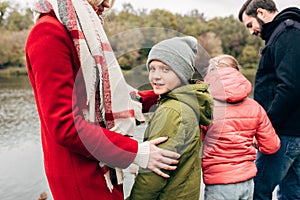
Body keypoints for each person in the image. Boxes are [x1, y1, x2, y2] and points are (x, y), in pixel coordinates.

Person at [25, 0, 181, 199]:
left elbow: (113, 101)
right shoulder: (48, 33)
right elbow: (65, 126)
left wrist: (166, 93)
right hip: (80, 174)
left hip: (104, 164)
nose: (107, 4)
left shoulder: (83, 31)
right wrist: (137, 153)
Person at [127, 36, 213, 200]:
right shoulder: (187, 103)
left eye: (165, 69)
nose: (155, 77)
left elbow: (153, 176)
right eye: (152, 68)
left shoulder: (173, 111)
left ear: (182, 73)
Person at [238, 1, 300, 199]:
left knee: (257, 191)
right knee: (292, 193)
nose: (251, 32)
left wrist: (265, 127)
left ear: (261, 12)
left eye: (250, 25)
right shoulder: (287, 32)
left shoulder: (287, 33)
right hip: (292, 131)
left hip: (283, 134)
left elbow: (289, 87)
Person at [201, 54, 280, 200]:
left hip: (219, 181)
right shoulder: (254, 107)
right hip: (247, 181)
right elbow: (272, 146)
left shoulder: (206, 108)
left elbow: (195, 145)